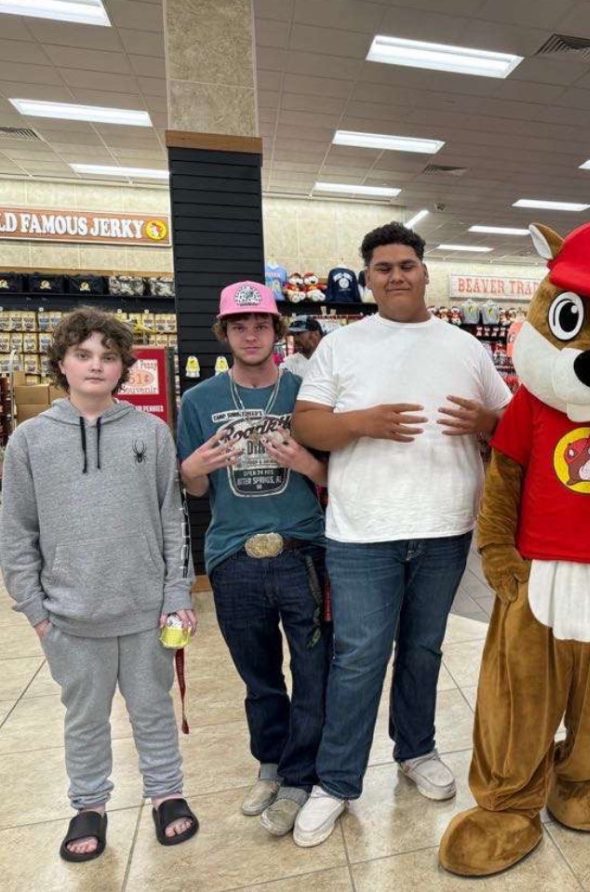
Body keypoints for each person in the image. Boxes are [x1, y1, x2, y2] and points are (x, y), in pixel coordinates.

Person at [289, 221, 512, 847]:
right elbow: (307, 425)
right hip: (362, 533)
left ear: (424, 271)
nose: (395, 275)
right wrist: (357, 422)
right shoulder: (341, 347)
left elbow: (508, 424)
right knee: (359, 658)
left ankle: (416, 750)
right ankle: (336, 781)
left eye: (406, 264)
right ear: (368, 279)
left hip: (444, 527)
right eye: (382, 267)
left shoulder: (464, 347)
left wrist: (488, 420)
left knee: (424, 649)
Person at [0, 308, 198, 862]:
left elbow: (172, 518)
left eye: (108, 357)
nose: (95, 365)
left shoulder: (150, 432)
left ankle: (167, 793)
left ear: (123, 368)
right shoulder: (30, 441)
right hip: (69, 618)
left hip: (145, 614)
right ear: (61, 362)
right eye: (83, 354)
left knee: (152, 708)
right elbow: (16, 531)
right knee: (85, 717)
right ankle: (89, 804)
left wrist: (177, 593)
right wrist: (37, 612)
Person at [177, 282, 330, 836]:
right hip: (232, 556)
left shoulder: (306, 394)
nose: (250, 334)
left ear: (276, 331)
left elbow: (337, 477)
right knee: (259, 677)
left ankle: (299, 777)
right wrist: (192, 468)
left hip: (303, 551)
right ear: (224, 334)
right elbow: (193, 490)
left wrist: (307, 464)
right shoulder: (198, 402)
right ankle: (270, 763)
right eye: (239, 326)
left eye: (261, 324)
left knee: (313, 671)